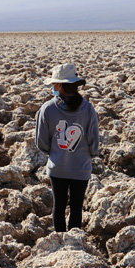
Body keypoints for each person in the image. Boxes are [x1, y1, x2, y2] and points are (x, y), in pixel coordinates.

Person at [35, 63, 99, 232]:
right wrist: (91, 154)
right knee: (77, 207)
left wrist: (55, 153)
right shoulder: (88, 108)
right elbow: (93, 139)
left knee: (59, 205)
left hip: (58, 167)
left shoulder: (47, 109)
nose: (53, 87)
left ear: (60, 85)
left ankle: (60, 240)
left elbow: (41, 141)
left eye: (54, 84)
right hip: (81, 167)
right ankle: (74, 239)